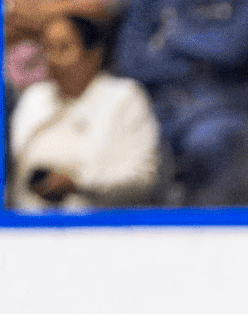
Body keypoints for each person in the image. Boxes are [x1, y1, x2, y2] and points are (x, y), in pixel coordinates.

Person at [111, 0, 248, 204]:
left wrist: (172, 36)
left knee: (206, 139)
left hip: (235, 106)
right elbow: (130, 60)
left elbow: (234, 48)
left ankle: (213, 229)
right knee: (116, 137)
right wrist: (194, 57)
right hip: (163, 104)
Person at [9, 15, 160, 209]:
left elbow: (141, 178)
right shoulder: (34, 97)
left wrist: (77, 183)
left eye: (63, 48)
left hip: (100, 226)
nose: (53, 59)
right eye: (47, 49)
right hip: (30, 226)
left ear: (94, 55)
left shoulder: (124, 96)